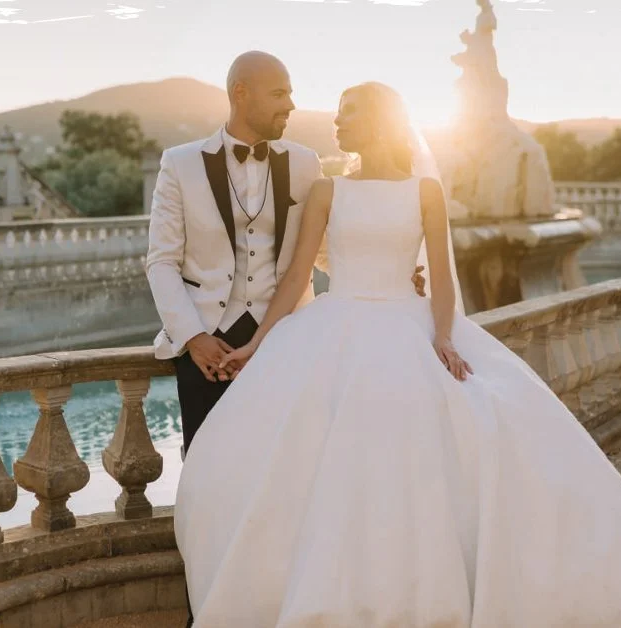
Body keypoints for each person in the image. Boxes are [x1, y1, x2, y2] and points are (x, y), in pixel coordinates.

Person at [173, 81, 621, 627]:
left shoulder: (425, 191)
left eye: (351, 108)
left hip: (408, 325)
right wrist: (257, 343)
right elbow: (294, 277)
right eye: (336, 109)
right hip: (334, 327)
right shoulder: (328, 193)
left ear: (384, 119)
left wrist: (442, 337)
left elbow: (442, 278)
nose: (337, 119)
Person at [144, 51, 423, 627]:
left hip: (290, 345)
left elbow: (320, 249)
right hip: (208, 351)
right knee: (209, 485)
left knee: (288, 485)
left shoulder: (304, 164)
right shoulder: (179, 164)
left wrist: (394, 270)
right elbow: (162, 263)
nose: (292, 106)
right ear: (241, 92)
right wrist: (195, 339)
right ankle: (212, 611)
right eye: (280, 95)